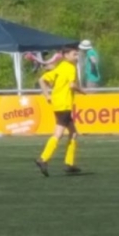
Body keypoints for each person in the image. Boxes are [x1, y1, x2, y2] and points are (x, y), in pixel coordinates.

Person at [36, 45, 85, 176]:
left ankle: (69, 163)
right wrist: (82, 91)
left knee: (73, 133)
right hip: (64, 104)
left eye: (77, 54)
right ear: (66, 55)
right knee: (58, 134)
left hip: (58, 103)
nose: (77, 56)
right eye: (74, 54)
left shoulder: (60, 66)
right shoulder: (70, 67)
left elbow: (42, 79)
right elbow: (72, 85)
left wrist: (47, 95)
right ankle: (43, 159)